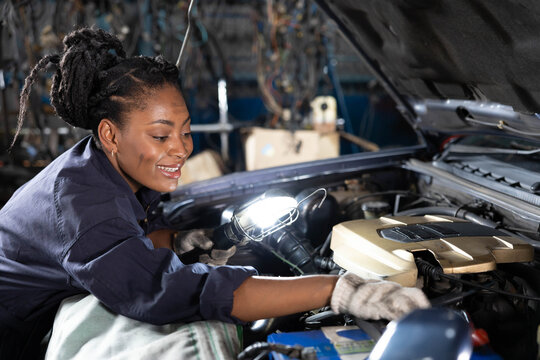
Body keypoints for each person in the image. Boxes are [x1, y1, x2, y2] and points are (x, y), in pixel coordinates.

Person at [0, 28, 429, 359]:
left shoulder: (108, 168)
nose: (181, 149)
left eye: (184, 131)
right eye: (160, 134)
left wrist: (180, 241)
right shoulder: (82, 204)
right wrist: (336, 289)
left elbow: (131, 239)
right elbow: (167, 292)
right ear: (110, 134)